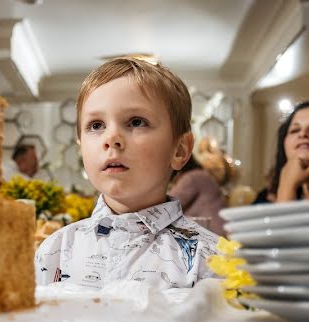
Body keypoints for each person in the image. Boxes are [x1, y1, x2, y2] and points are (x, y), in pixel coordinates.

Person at [35, 57, 219, 290]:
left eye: (136, 121)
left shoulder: (211, 261)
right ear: (80, 145)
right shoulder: (54, 252)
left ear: (180, 149)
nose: (111, 138)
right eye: (96, 125)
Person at [168, 155, 226, 235]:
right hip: (219, 229)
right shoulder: (201, 174)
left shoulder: (192, 177)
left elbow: (168, 205)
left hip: (211, 231)